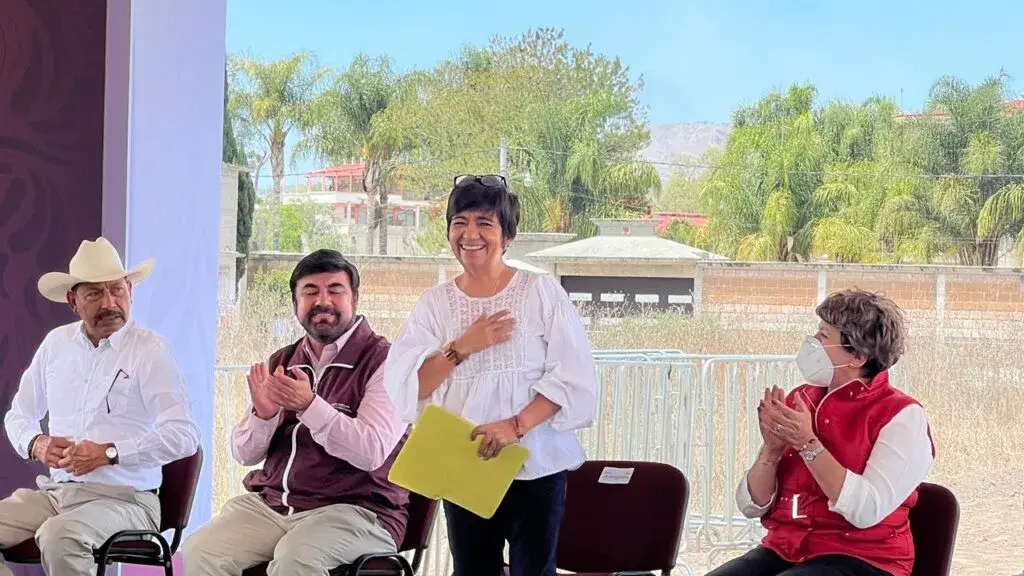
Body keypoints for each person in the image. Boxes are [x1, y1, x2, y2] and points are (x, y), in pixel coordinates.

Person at [383, 174, 599, 576]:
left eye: (484, 223)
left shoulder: (540, 292)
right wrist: (463, 346)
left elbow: (572, 377)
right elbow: (411, 385)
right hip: (464, 463)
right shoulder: (434, 305)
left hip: (534, 462)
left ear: (507, 236)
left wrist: (515, 426)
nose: (470, 235)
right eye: (459, 222)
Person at [182, 249, 410, 575]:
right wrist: (263, 416)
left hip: (358, 511)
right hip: (275, 506)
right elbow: (244, 454)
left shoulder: (387, 362)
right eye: (310, 292)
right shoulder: (282, 361)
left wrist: (309, 406)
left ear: (355, 299)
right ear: (295, 303)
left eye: (335, 290)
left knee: (295, 559)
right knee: (198, 551)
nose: (323, 301)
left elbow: (371, 451)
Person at [0, 237, 200, 576]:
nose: (110, 303)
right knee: (55, 529)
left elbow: (184, 436)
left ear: (130, 292)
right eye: (94, 294)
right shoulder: (56, 345)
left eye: (117, 290)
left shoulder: (150, 351)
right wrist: (37, 443)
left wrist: (110, 453)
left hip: (128, 500)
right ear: (73, 301)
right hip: (57, 495)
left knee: (59, 536)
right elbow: (18, 416)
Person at [707, 289, 935, 576]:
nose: (812, 341)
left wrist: (808, 444)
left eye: (824, 335)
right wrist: (771, 451)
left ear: (858, 356)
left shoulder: (903, 416)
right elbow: (752, 507)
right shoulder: (801, 398)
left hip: (864, 559)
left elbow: (866, 510)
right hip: (785, 549)